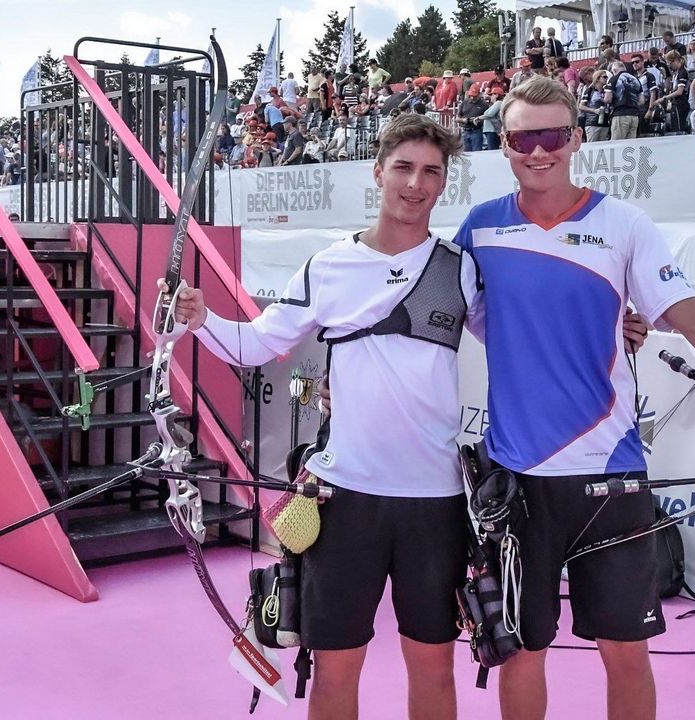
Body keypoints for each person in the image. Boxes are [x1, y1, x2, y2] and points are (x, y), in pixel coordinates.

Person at [454, 77, 695, 720]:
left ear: (575, 139)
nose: (538, 150)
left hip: (609, 473)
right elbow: (426, 308)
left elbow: (690, 316)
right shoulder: (480, 228)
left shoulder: (623, 224)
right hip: (517, 479)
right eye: (523, 137)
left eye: (552, 135)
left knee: (625, 651)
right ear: (504, 144)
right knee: (520, 650)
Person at [165, 115, 480, 720]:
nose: (416, 183)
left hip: (435, 503)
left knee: (435, 668)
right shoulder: (329, 265)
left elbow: (525, 338)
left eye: (431, 172)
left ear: (444, 183)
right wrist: (200, 321)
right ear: (378, 171)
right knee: (335, 669)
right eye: (404, 168)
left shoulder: (461, 269)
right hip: (344, 501)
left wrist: (615, 327)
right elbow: (256, 345)